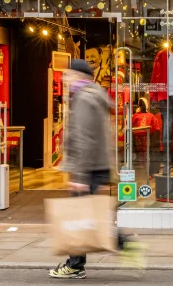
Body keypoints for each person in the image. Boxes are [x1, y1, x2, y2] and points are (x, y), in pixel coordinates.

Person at [50, 59, 142, 279]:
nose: (64, 78)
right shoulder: (94, 95)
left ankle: (78, 264)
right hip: (96, 166)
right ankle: (81, 262)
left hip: (88, 168)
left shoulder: (83, 98)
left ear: (79, 76)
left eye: (68, 74)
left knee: (81, 217)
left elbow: (84, 138)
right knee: (89, 216)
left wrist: (80, 175)